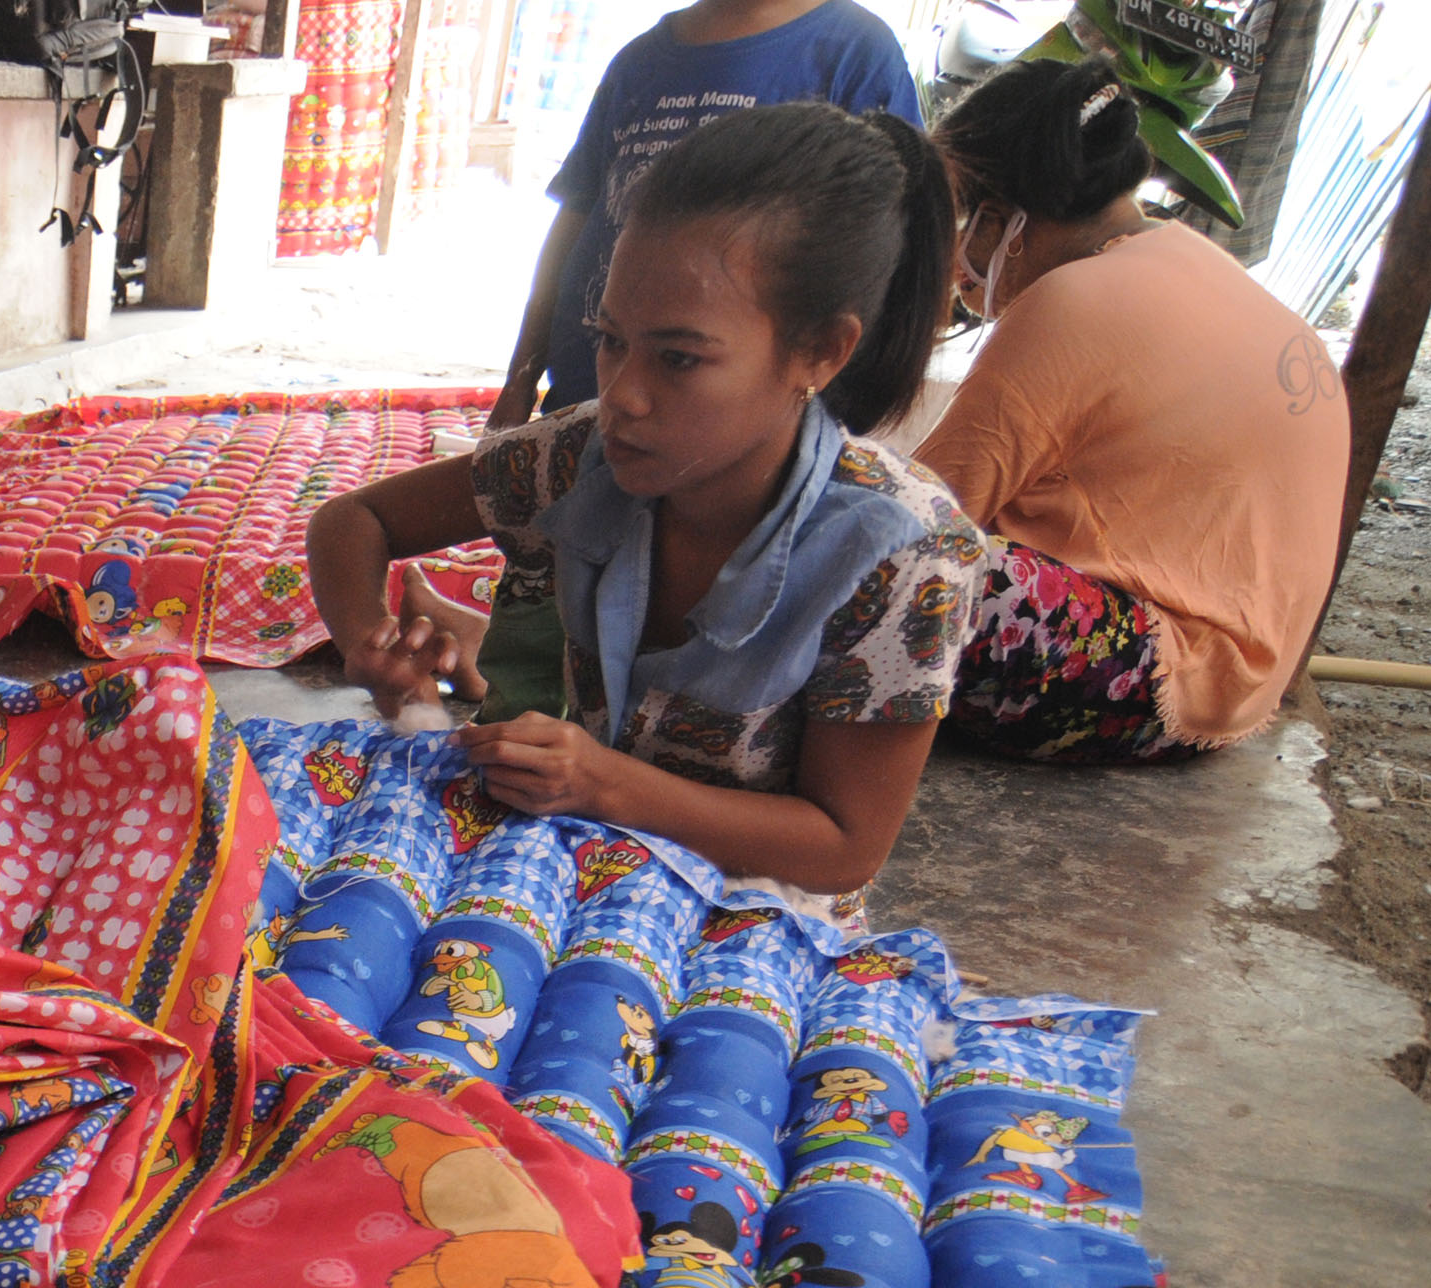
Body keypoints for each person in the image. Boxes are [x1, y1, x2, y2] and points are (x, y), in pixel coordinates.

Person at [307, 102, 985, 922]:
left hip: (766, 927)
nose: (624, 394)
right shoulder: (581, 458)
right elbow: (354, 522)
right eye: (610, 339)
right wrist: (371, 643)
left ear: (820, 352)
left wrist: (605, 783)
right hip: (586, 874)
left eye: (679, 358)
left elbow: (844, 846)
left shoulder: (904, 554)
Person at [919, 60, 1349, 762]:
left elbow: (925, 510)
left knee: (900, 565)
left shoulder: (1070, 301)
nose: (957, 252)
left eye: (962, 219)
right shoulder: (1185, 255)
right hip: (1236, 680)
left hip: (1157, 674)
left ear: (1003, 220)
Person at [490, 0, 922, 433]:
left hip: (718, 437)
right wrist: (520, 379)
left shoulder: (856, 53)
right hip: (582, 412)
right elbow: (573, 224)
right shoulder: (639, 60)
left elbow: (889, 255)